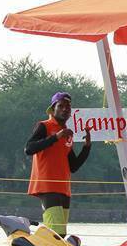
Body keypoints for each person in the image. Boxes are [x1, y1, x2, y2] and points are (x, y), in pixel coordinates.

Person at [25, 91, 91, 238]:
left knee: (60, 234)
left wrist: (87, 147)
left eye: (68, 106)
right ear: (53, 108)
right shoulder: (44, 126)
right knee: (56, 234)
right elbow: (29, 148)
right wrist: (56, 137)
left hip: (64, 189)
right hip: (48, 186)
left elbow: (73, 166)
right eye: (61, 106)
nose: (65, 109)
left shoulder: (68, 133)